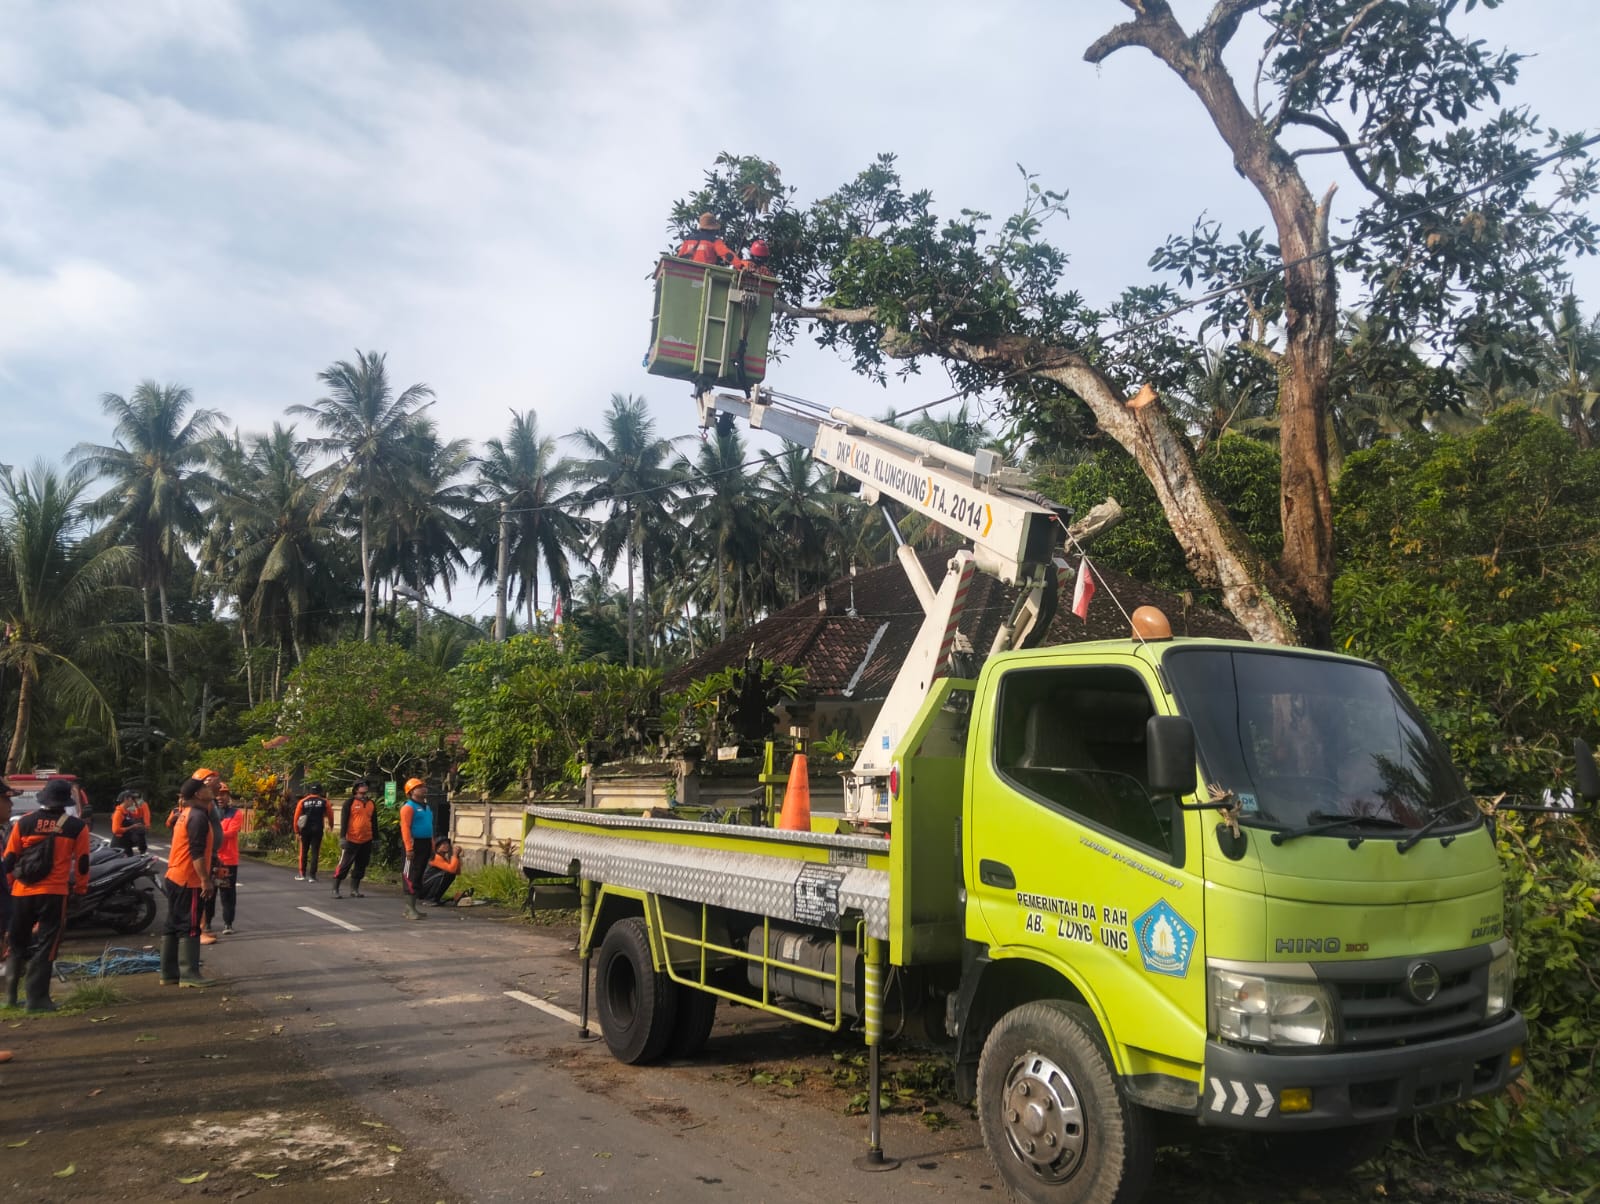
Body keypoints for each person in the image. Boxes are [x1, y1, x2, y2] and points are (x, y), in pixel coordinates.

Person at [2, 779, 90, 1011]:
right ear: (66, 802)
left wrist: (10, 887)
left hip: (21, 892)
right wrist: (80, 890)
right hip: (53, 894)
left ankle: (10, 998)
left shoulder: (24, 822)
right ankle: (37, 999)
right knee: (47, 944)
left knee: (17, 943)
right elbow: (82, 863)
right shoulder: (76, 827)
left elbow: (10, 858)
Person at [161, 776, 216, 988]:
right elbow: (196, 852)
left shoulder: (184, 814)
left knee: (173, 924)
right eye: (204, 787)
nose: (208, 789)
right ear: (197, 794)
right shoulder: (198, 817)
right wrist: (205, 880)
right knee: (190, 926)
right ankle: (189, 973)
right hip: (188, 879)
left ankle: (168, 973)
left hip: (175, 875)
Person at [204, 782, 245, 936]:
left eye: (224, 794)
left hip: (228, 860)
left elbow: (230, 833)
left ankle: (228, 923)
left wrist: (212, 833)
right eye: (218, 794)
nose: (220, 797)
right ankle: (207, 922)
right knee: (209, 893)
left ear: (228, 797)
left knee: (227, 893)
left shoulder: (236, 813)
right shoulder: (208, 812)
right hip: (211, 859)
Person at [331, 781, 376, 900]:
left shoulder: (371, 803)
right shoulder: (349, 803)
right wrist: (342, 838)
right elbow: (344, 821)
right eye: (361, 785)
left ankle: (354, 889)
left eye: (366, 785)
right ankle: (335, 889)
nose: (364, 787)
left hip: (366, 839)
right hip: (351, 839)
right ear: (356, 789)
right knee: (344, 864)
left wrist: (376, 839)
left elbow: (374, 822)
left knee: (361, 865)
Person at [399, 778, 433, 921]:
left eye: (423, 786)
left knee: (419, 874)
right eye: (419, 787)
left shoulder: (427, 807)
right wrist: (408, 848)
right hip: (414, 843)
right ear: (411, 791)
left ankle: (413, 908)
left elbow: (430, 827)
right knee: (410, 875)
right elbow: (405, 828)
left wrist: (433, 846)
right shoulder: (408, 807)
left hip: (425, 843)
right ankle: (409, 908)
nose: (423, 789)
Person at [292, 783, 330, 882]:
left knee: (303, 851)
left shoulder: (303, 801)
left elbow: (296, 817)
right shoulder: (324, 802)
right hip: (318, 829)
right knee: (315, 852)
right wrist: (331, 825)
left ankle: (302, 874)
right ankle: (312, 876)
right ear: (320, 791)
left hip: (305, 829)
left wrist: (296, 831)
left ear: (310, 791)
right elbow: (330, 815)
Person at [417, 837, 461, 906]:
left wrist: (457, 857)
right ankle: (430, 899)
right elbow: (451, 870)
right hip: (424, 887)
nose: (447, 845)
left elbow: (456, 872)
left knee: (450, 874)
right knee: (447, 874)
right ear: (437, 847)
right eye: (443, 844)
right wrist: (454, 855)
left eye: (447, 843)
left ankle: (435, 898)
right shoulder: (435, 857)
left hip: (427, 886)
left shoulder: (443, 858)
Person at [111, 789, 151, 856]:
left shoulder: (127, 812)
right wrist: (132, 827)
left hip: (126, 843)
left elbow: (139, 815)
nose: (133, 801)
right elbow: (116, 830)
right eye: (132, 799)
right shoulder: (119, 813)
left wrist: (137, 805)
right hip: (119, 844)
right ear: (126, 799)